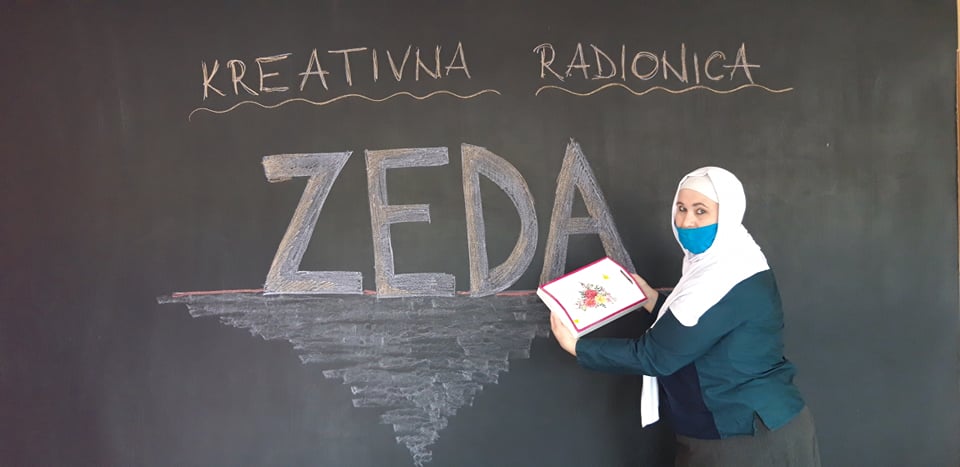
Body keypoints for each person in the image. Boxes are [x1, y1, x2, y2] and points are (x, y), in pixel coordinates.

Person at [550, 166, 821, 466]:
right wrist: (653, 300)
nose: (686, 221)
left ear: (728, 215)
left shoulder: (724, 276)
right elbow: (704, 326)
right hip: (743, 429)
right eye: (681, 208)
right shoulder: (731, 260)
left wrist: (578, 347)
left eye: (701, 211)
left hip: (747, 438)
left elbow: (655, 356)